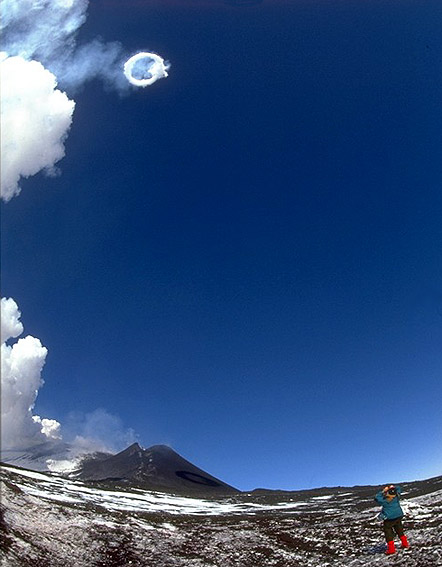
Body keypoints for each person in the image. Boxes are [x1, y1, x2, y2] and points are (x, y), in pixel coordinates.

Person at [374, 484, 409, 555]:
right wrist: (393, 488)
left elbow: (376, 498)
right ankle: (405, 544)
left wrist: (383, 491)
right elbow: (399, 488)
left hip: (389, 518)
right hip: (398, 515)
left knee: (388, 532)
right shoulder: (396, 497)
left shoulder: (385, 500)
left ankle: (391, 549)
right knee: (399, 529)